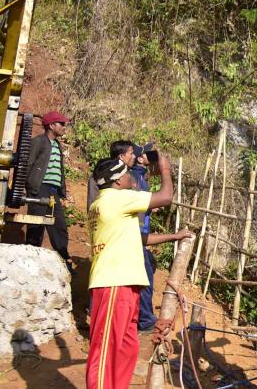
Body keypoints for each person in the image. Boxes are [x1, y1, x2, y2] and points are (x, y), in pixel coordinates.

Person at [86, 155, 191, 389]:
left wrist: (173, 236)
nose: (129, 177)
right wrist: (164, 168)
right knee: (107, 349)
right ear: (115, 181)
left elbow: (139, 237)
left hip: (123, 282)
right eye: (125, 174)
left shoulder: (104, 204)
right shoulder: (116, 199)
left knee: (126, 346)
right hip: (115, 281)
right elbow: (165, 197)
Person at [26, 111, 72, 272]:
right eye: (61, 124)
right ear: (51, 126)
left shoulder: (57, 145)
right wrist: (30, 187)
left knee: (59, 226)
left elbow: (59, 171)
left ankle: (64, 259)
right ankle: (30, 261)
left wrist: (62, 191)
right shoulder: (38, 142)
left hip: (53, 192)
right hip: (40, 189)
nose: (64, 127)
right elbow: (28, 165)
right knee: (36, 225)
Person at [130, 143, 159, 331]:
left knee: (148, 270)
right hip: (136, 235)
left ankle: (141, 316)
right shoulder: (134, 177)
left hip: (140, 234)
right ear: (140, 158)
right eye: (149, 154)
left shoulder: (140, 176)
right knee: (145, 278)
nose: (153, 157)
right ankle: (145, 319)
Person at [86, 140, 137, 208]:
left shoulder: (131, 176)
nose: (134, 156)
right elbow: (92, 206)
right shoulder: (98, 176)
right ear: (121, 156)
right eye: (131, 153)